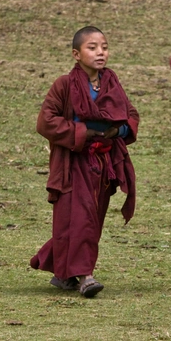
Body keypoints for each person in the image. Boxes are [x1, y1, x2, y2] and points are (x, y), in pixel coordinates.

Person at [30, 26, 139, 298]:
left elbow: (130, 113)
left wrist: (119, 131)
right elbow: (46, 121)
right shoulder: (64, 85)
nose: (100, 52)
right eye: (92, 47)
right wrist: (82, 133)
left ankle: (61, 272)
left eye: (104, 46)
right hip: (74, 161)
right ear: (76, 54)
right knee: (81, 219)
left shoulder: (111, 81)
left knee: (87, 219)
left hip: (103, 162)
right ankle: (86, 277)